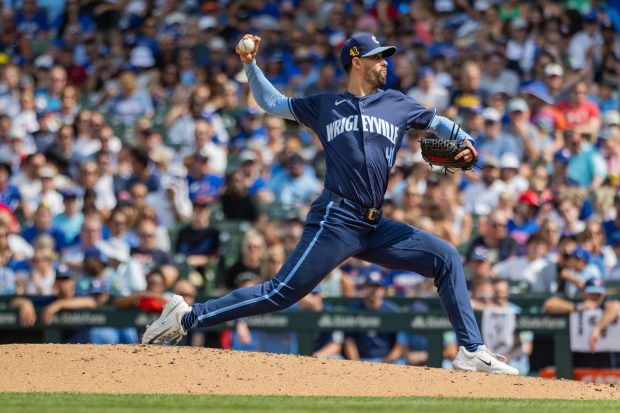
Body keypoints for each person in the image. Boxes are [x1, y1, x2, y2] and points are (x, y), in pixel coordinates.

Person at [142, 33, 518, 375]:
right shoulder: (326, 105)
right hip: (336, 219)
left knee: (446, 257)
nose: (385, 61)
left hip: (374, 225)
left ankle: (471, 349)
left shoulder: (397, 103)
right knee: (279, 293)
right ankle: (187, 317)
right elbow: (272, 103)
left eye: (386, 55)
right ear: (357, 62)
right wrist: (250, 65)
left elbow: (438, 122)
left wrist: (466, 141)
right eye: (377, 57)